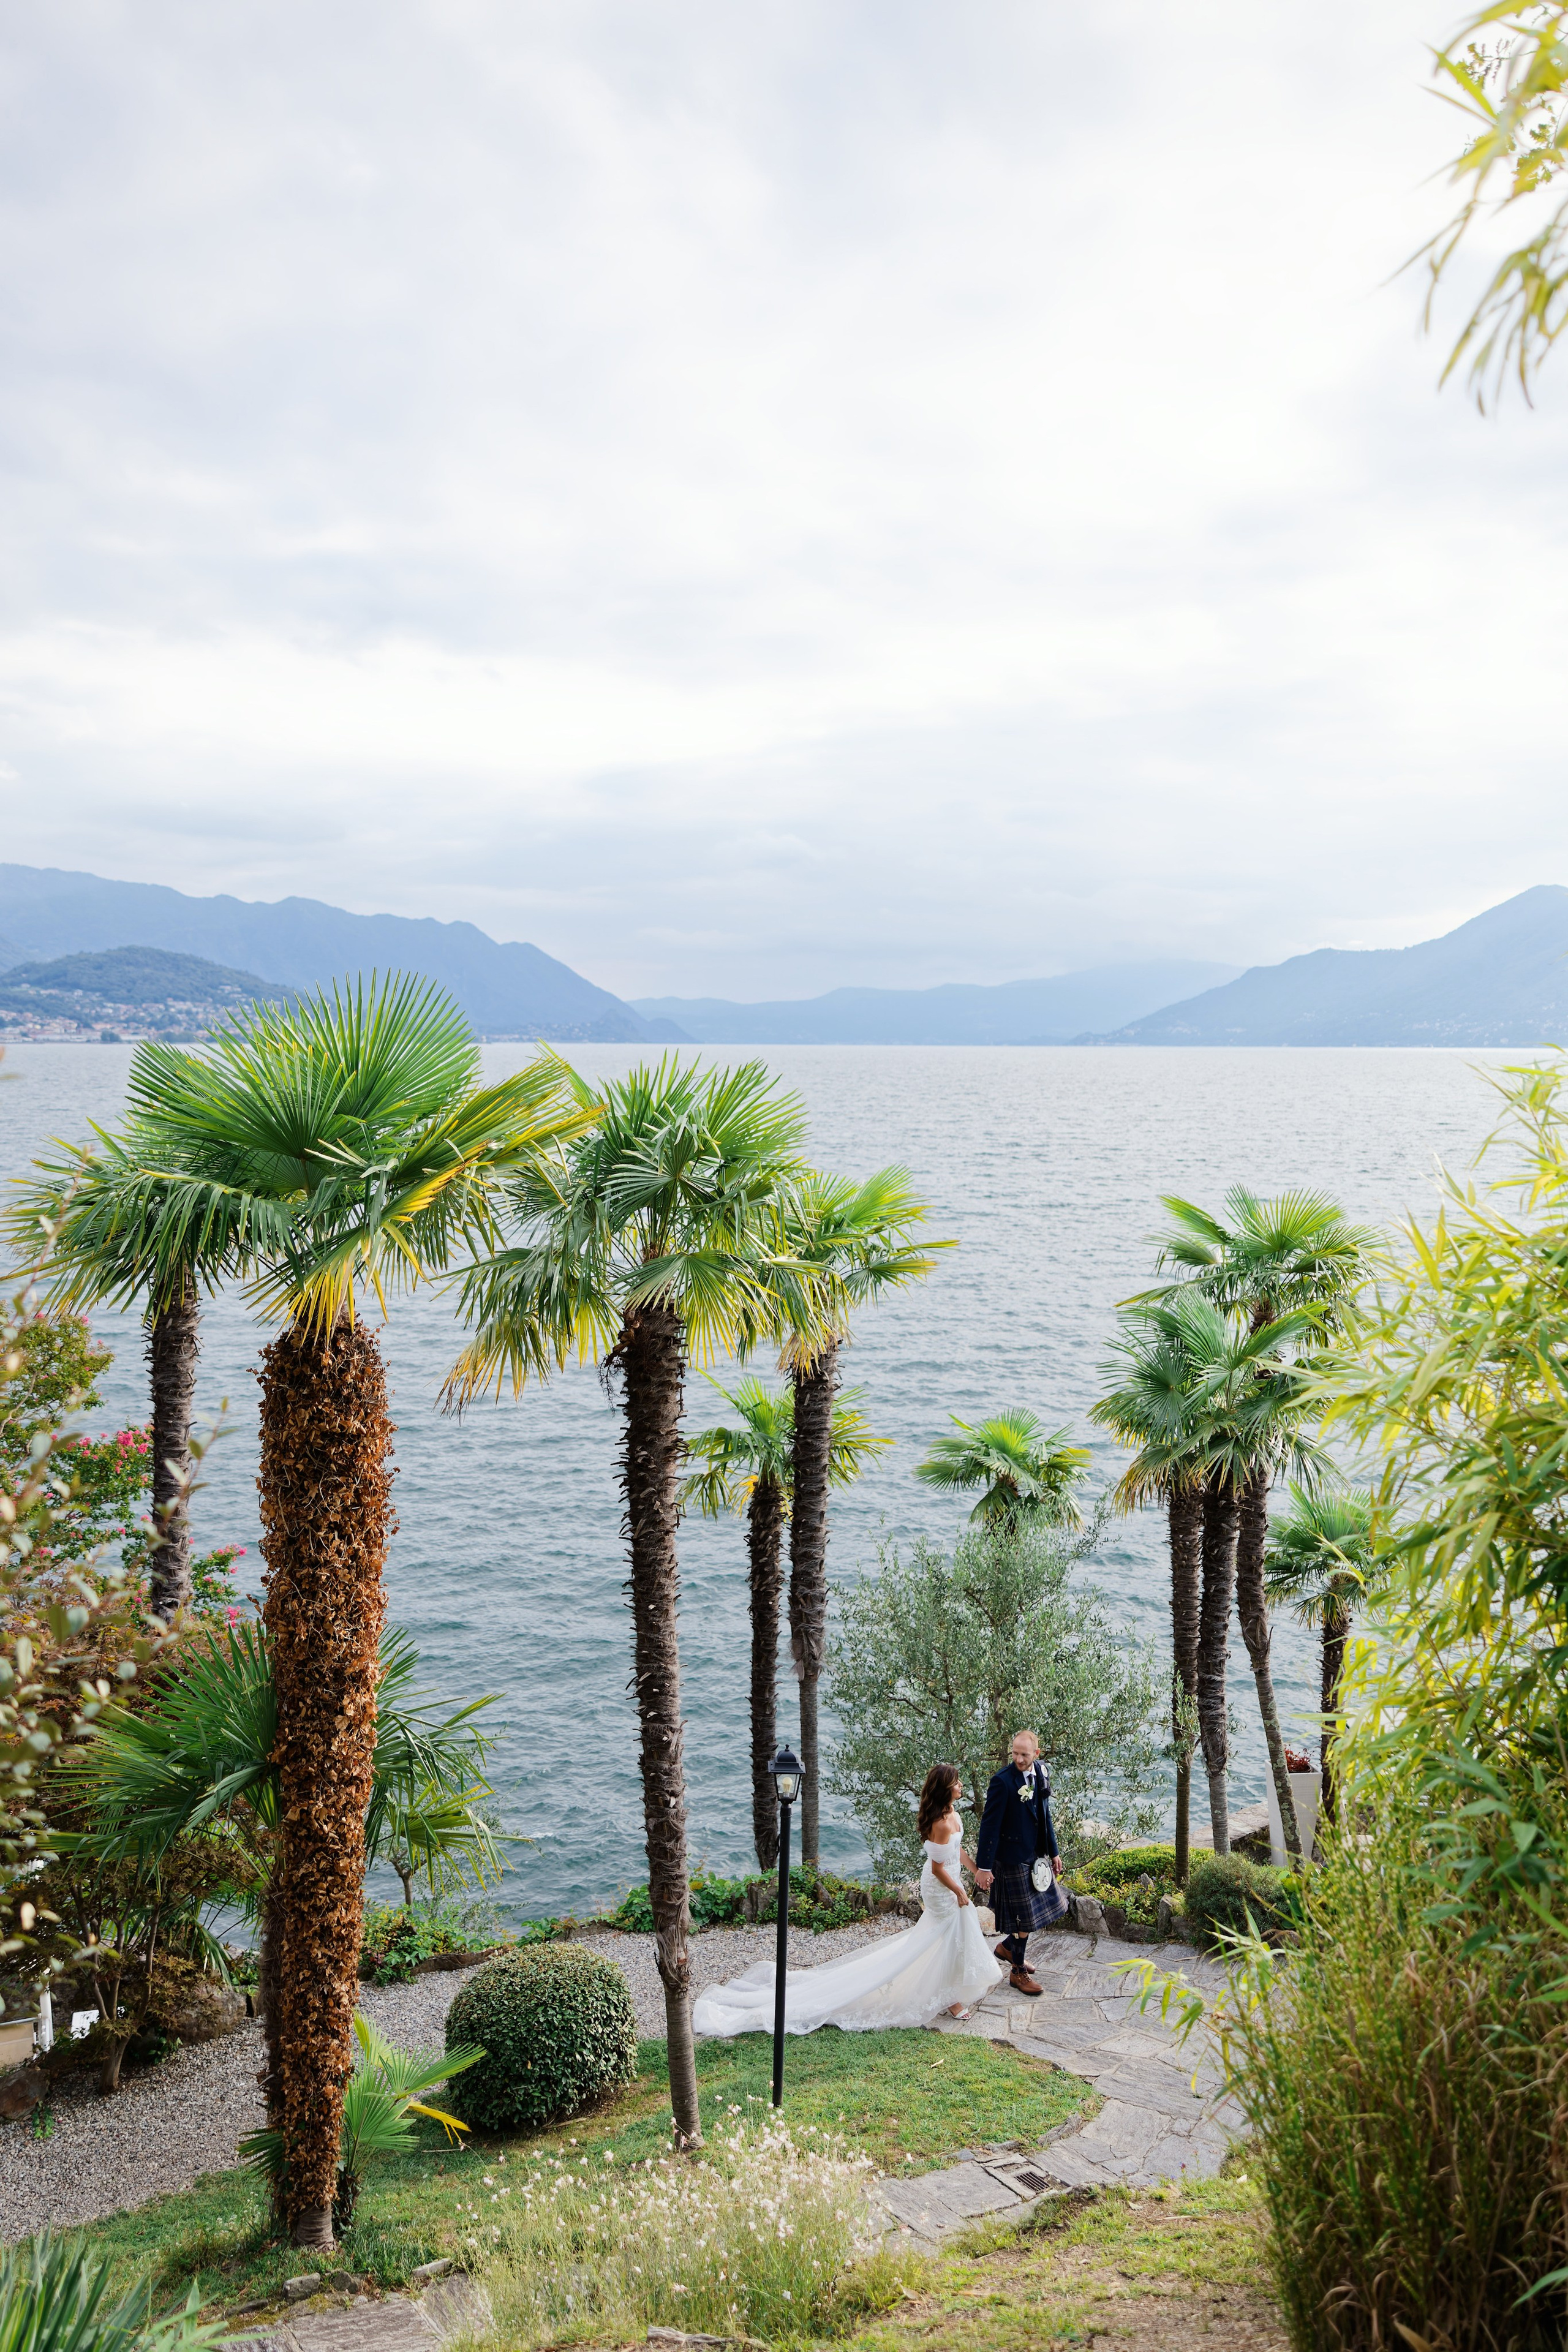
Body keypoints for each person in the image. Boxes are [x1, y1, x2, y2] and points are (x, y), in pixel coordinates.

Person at [691, 1763, 1002, 2037]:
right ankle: (949, 1998)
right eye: (957, 1782)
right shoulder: (941, 1823)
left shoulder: (955, 1816)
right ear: (946, 1789)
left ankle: (949, 1991)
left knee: (951, 1934)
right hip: (940, 1887)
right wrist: (959, 1891)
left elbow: (956, 1853)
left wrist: (974, 1870)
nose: (961, 1786)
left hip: (953, 1881)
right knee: (942, 1936)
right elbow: (936, 1869)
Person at [973, 1727, 1066, 1996]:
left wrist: (1054, 1852)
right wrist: (984, 1867)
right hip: (1011, 1858)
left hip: (1035, 1855)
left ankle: (1008, 1948)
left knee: (1030, 1917)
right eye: (1015, 1753)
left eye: (1024, 1754)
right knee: (1022, 1921)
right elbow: (989, 1827)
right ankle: (1017, 1973)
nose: (1019, 1759)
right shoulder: (1002, 1782)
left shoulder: (1042, 1772)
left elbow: (1045, 1815)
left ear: (1036, 1753)